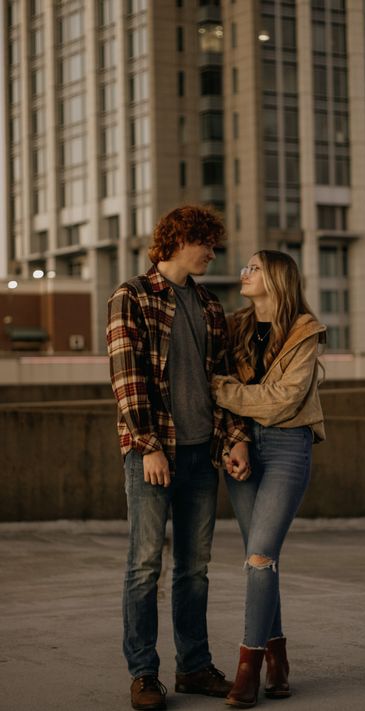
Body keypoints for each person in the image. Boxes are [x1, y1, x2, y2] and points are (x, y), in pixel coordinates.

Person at [106, 204, 250, 711]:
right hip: (153, 454)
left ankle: (192, 666)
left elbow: (222, 380)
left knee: (195, 569)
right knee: (145, 565)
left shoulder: (210, 305)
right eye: (206, 243)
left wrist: (234, 437)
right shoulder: (133, 296)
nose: (213, 253)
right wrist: (148, 446)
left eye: (214, 245)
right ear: (178, 240)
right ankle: (145, 674)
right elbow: (128, 380)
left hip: (199, 454)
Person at [212, 250, 326, 708]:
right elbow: (244, 399)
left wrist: (220, 388)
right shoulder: (234, 326)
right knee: (261, 556)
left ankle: (249, 667)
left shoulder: (305, 331)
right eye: (246, 266)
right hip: (242, 445)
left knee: (259, 557)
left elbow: (282, 401)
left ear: (277, 278)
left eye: (254, 268)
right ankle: (278, 657)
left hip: (286, 447)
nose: (245, 273)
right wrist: (235, 438)